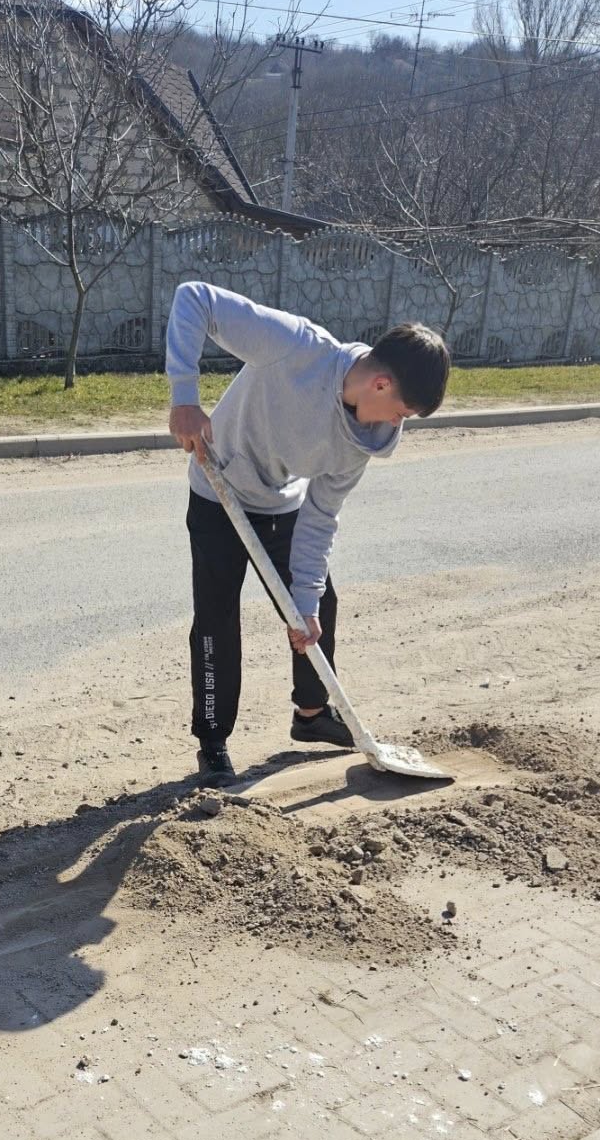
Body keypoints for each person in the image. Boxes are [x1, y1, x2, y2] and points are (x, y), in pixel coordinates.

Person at [166, 284, 450, 782]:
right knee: (216, 619)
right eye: (401, 412)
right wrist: (184, 398)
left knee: (316, 605)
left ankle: (313, 715)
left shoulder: (364, 442)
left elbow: (320, 518)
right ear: (380, 384)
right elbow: (195, 300)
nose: (396, 426)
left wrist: (306, 602)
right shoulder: (295, 347)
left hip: (281, 502)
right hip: (218, 492)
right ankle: (212, 741)